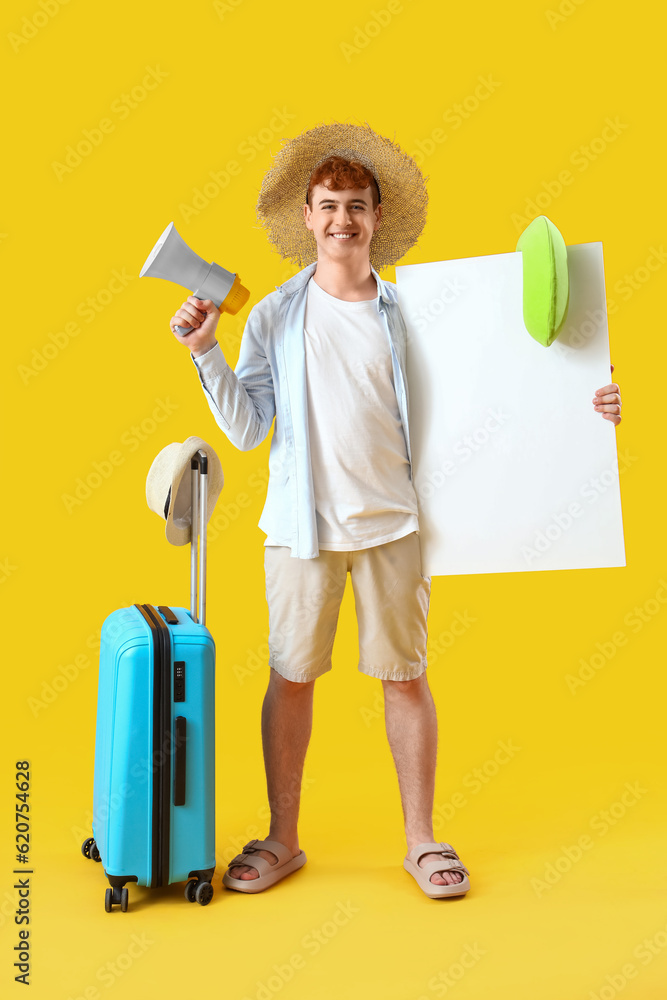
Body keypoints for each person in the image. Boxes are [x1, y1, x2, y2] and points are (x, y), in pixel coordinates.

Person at [168, 123, 622, 899]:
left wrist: (584, 407)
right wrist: (205, 349)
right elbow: (247, 431)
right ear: (306, 218)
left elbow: (494, 386)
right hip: (300, 531)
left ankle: (421, 840)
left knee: (404, 678)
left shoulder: (420, 312)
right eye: (327, 205)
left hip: (397, 526)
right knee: (291, 677)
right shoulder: (273, 317)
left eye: (355, 205)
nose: (341, 219)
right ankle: (283, 838)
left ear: (375, 218)